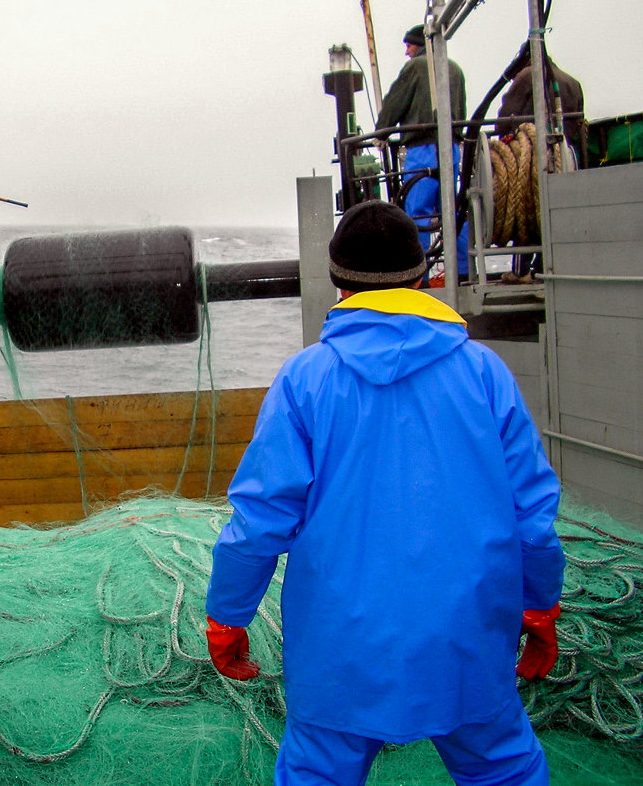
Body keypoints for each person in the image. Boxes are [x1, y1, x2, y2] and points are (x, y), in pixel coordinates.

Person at [204, 200, 565, 786]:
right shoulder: (484, 371)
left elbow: (260, 521)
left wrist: (227, 615)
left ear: (337, 281)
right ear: (421, 278)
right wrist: (541, 603)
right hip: (467, 639)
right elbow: (532, 517)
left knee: (317, 772)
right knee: (504, 767)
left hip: (339, 651)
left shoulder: (305, 379)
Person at [376, 24, 470, 278]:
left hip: (422, 147)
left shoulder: (416, 67)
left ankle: (419, 275)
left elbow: (395, 101)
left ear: (420, 44)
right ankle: (463, 271)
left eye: (408, 45)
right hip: (451, 148)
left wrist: (381, 132)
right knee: (452, 211)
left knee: (417, 213)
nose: (406, 52)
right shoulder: (455, 69)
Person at [496, 50, 586, 164]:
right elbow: (579, 121)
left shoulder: (527, 76)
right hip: (566, 154)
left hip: (531, 154)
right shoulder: (573, 82)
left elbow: (505, 117)